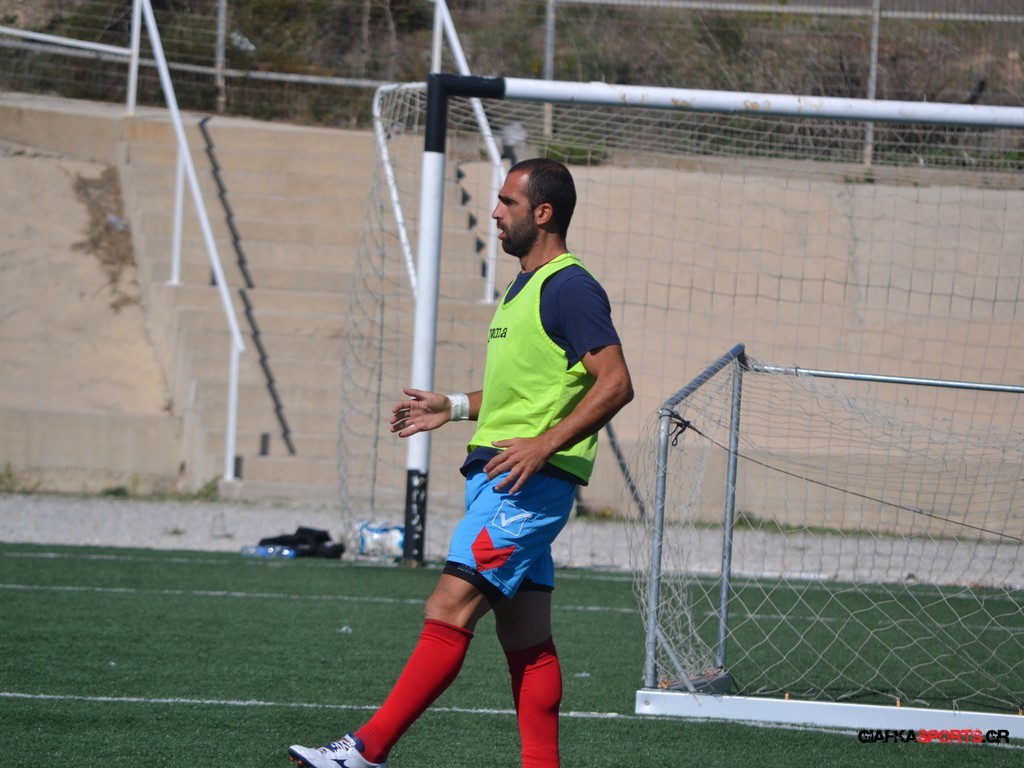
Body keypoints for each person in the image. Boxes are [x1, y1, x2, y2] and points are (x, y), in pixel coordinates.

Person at [288, 158, 633, 768]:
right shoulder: (524, 286)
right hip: (505, 481)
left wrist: (544, 445)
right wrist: (450, 406)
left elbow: (616, 383)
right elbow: (520, 394)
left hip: (524, 487)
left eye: (507, 202)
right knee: (526, 639)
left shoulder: (570, 287)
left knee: (448, 607)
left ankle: (365, 752)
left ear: (543, 213)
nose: (495, 213)